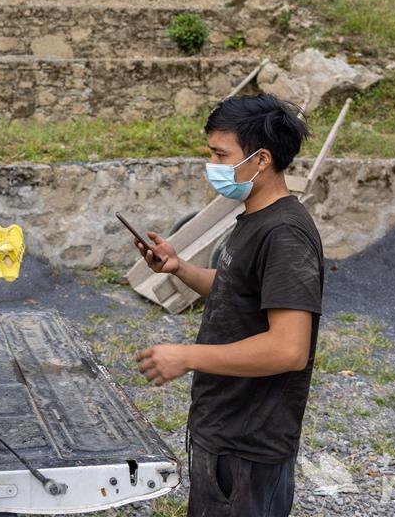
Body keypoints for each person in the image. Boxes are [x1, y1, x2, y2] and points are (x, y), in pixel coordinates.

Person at [133, 95, 322, 517]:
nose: (213, 165)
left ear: (261, 160)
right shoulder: (255, 218)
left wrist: (187, 356)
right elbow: (238, 288)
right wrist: (180, 269)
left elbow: (290, 349)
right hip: (225, 426)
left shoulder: (286, 234)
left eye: (222, 155)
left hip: (249, 443)